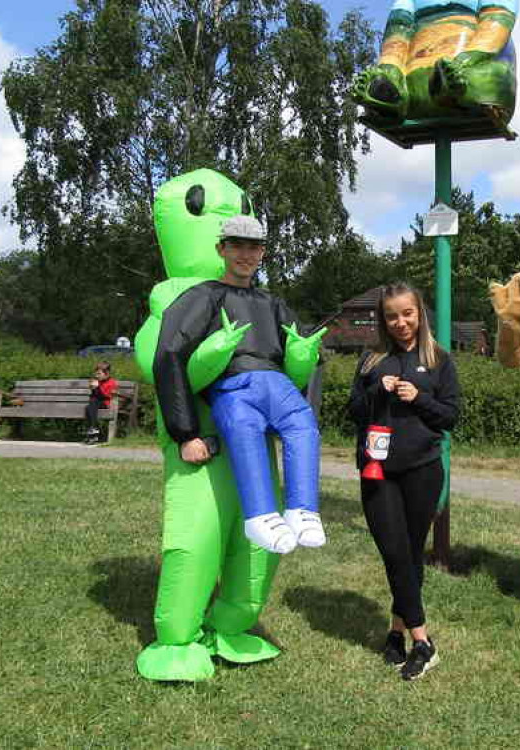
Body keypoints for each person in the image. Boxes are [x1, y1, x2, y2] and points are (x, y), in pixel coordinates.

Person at [153, 215, 323, 554]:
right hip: (234, 386)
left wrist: (307, 403)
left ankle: (303, 509)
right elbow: (169, 353)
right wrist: (185, 433)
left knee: (303, 425)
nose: (245, 255)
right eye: (237, 246)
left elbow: (310, 353)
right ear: (221, 249)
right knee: (242, 427)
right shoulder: (205, 296)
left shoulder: (272, 304)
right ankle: (260, 514)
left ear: (262, 253)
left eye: (254, 247)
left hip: (278, 387)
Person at [347, 283, 460, 681]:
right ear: (383, 318)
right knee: (395, 552)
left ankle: (396, 635)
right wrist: (376, 390)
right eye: (392, 316)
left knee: (410, 555)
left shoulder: (438, 359)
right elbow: (353, 411)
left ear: (419, 313)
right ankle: (423, 642)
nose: (400, 323)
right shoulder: (371, 358)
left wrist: (420, 398)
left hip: (422, 471)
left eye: (407, 313)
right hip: (378, 471)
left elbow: (449, 417)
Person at [84, 360, 118, 444]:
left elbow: (106, 396)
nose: (97, 376)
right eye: (96, 373)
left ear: (107, 373)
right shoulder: (98, 381)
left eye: (99, 374)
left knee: (92, 403)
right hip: (96, 404)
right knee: (88, 407)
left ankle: (94, 431)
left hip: (106, 403)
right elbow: (95, 395)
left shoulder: (112, 383)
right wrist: (93, 388)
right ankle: (94, 432)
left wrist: (98, 388)